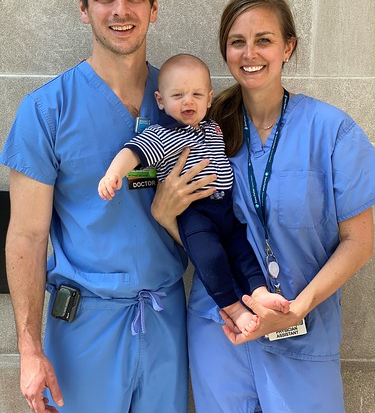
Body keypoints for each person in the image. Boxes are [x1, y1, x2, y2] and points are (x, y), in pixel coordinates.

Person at [0, 0, 216, 413]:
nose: (121, 10)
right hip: (83, 328)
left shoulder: (183, 100)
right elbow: (27, 236)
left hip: (165, 317)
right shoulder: (47, 110)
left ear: (154, 9)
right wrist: (30, 351)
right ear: (83, 9)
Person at [151, 0, 375, 413]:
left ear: (288, 47)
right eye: (237, 41)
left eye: (264, 40)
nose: (249, 53)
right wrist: (164, 216)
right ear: (225, 51)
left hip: (303, 331)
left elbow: (360, 240)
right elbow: (203, 231)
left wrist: (298, 307)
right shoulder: (203, 132)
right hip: (221, 328)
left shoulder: (332, 131)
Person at [98, 53, 290, 336]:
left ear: (209, 99)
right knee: (209, 258)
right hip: (194, 213)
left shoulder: (213, 128)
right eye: (178, 95)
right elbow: (133, 151)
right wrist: (113, 174)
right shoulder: (162, 134)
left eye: (196, 94)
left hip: (225, 209)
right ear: (161, 101)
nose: (188, 101)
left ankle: (259, 292)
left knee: (243, 251)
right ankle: (233, 307)